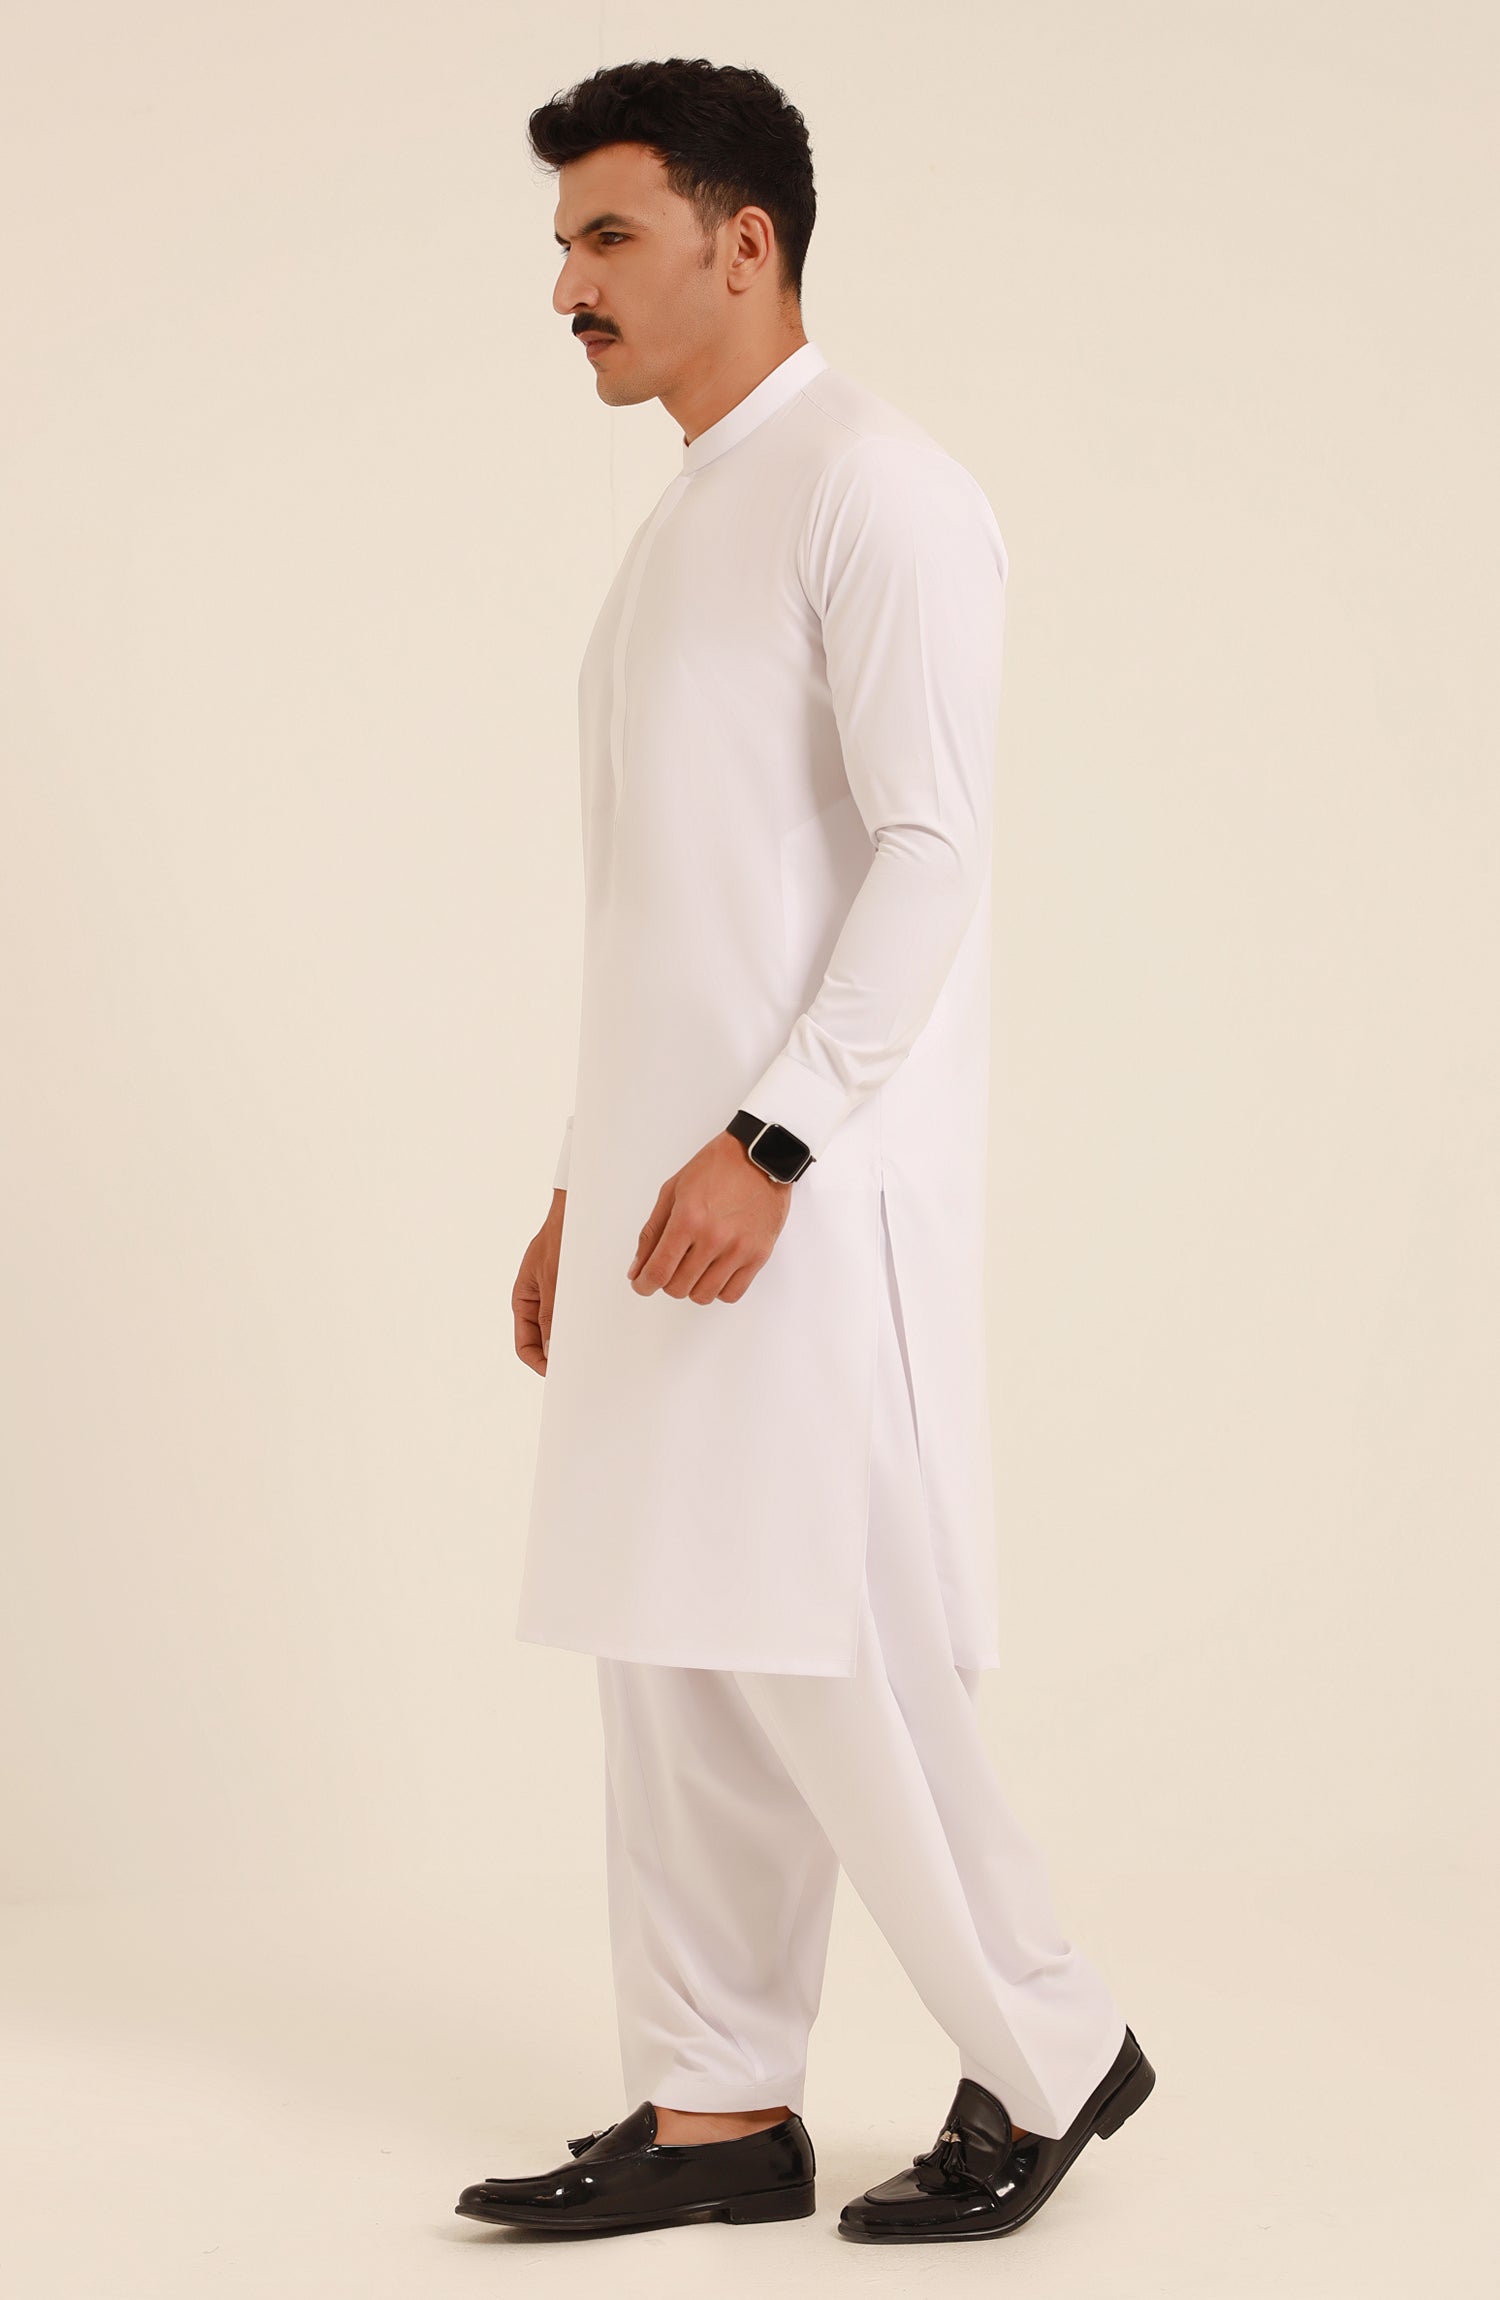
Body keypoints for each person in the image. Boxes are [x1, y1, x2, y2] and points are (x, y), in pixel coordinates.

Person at [455, 56, 1154, 2244]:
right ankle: (717, 2108)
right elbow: (663, 911)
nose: (566, 284)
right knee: (678, 1639)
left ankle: (1051, 2045)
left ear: (743, 240)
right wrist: (584, 1174)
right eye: (565, 241)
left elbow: (934, 850)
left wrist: (770, 1136)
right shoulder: (690, 517)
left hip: (797, 1191)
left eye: (607, 235)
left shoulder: (877, 486)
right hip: (671, 1190)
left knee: (826, 1634)